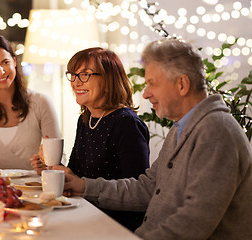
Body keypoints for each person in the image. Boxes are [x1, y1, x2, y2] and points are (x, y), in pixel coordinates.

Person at [63, 39, 252, 239]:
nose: (145, 94)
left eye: (152, 83)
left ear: (182, 84)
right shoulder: (182, 128)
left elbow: (192, 223)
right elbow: (148, 187)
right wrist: (84, 186)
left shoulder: (216, 132)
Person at [31, 47, 150, 231]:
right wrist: (49, 168)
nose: (76, 82)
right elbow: (75, 175)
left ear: (108, 80)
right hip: (83, 212)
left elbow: (137, 191)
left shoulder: (126, 123)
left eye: (85, 75)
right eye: (73, 75)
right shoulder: (86, 119)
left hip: (113, 224)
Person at [0, 33, 60, 170]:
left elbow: (59, 158)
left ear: (14, 61)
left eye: (5, 62)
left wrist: (46, 164)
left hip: (33, 188)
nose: (1, 72)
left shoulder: (40, 102)